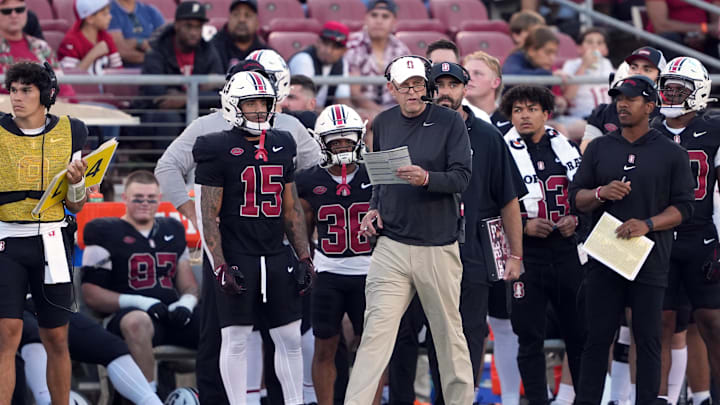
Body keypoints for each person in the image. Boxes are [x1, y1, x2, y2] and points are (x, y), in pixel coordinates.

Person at [154, 57, 320, 405]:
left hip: (275, 247)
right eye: (250, 97)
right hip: (230, 247)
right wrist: (197, 219)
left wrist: (305, 246)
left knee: (287, 334)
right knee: (228, 335)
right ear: (232, 92)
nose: (259, 107)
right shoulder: (210, 133)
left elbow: (313, 176)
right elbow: (168, 168)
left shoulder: (285, 131)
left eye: (264, 96)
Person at [345, 55, 474, 404]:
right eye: (406, 86)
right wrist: (373, 210)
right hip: (392, 246)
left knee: (449, 337)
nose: (414, 91)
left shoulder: (449, 122)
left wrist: (427, 178)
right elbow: (380, 180)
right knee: (374, 335)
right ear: (392, 89)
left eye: (418, 84)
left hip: (438, 245)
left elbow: (463, 177)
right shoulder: (384, 123)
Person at [568, 75, 695, 405]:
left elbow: (685, 207)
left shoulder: (670, 153)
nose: (622, 104)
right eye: (618, 98)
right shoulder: (599, 147)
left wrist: (648, 224)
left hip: (649, 258)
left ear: (650, 106)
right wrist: (600, 193)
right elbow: (576, 198)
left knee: (648, 339)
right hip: (604, 256)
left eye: (631, 98)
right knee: (596, 339)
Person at [428, 62, 525, 405]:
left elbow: (509, 199)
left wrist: (515, 255)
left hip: (473, 249)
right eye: (437, 84)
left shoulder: (487, 136)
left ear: (464, 88)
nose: (444, 91)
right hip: (425, 249)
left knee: (470, 334)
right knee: (433, 335)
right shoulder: (415, 131)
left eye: (452, 84)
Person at [0, 61, 89, 404]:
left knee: (56, 337)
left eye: (26, 90)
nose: (17, 98)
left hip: (52, 241)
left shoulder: (73, 131)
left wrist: (78, 182)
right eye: (13, 90)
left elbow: (77, 205)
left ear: (47, 95)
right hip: (6, 238)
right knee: (7, 334)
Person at [499, 85, 585, 405]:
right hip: (526, 254)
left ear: (546, 113)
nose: (524, 115)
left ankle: (583, 399)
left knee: (579, 333)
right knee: (529, 336)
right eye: (518, 110)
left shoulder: (565, 146)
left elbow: (584, 195)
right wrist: (523, 225)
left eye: (531, 109)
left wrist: (574, 219)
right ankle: (536, 400)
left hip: (566, 250)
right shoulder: (501, 148)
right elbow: (490, 203)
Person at [81, 170, 200, 391]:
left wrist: (186, 303)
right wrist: (139, 302)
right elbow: (91, 293)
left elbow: (188, 284)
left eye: (151, 199)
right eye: (138, 198)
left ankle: (219, 394)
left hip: (170, 314)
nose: (145, 203)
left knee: (223, 323)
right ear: (124, 198)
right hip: (128, 318)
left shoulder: (172, 229)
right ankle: (148, 394)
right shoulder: (103, 230)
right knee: (137, 322)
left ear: (159, 199)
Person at [652, 56, 720, 405]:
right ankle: (659, 399)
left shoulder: (715, 130)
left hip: (701, 237)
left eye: (680, 89)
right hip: (658, 238)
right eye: (667, 88)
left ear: (699, 92)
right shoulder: (649, 129)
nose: (671, 95)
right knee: (659, 324)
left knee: (712, 322)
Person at [295, 104, 372, 405]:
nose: (341, 145)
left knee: (371, 351)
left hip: (371, 272)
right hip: (328, 272)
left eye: (347, 138)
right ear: (321, 141)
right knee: (324, 346)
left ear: (359, 137)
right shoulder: (308, 180)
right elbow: (300, 230)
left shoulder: (376, 175)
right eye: (335, 139)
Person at [19, 307, 162, 405]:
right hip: (11, 309)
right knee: (35, 334)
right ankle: (46, 401)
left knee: (112, 346)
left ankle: (153, 402)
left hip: (47, 304)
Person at [138, 1, 223, 138]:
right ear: (177, 25)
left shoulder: (208, 51)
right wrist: (201, 91)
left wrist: (185, 98)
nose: (194, 32)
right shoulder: (157, 50)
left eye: (198, 27)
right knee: (169, 117)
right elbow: (158, 97)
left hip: (195, 109)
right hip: (156, 114)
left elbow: (220, 95)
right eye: (188, 26)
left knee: (215, 117)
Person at [584, 46, 667, 144]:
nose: (638, 73)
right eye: (633, 67)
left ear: (660, 79)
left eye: (647, 70)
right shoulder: (604, 112)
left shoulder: (667, 116)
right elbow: (587, 153)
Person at [344, 0, 409, 115]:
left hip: (397, 109)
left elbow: (407, 87)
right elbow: (354, 93)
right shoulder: (353, 46)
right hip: (362, 111)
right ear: (366, 18)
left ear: (394, 22)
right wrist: (382, 113)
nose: (379, 21)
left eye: (385, 16)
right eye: (374, 15)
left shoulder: (401, 49)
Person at [0, 0, 75, 98]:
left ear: (26, 12)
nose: (14, 15)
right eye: (7, 11)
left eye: (19, 10)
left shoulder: (42, 46)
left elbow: (63, 87)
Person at [559, 27, 614, 142]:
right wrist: (584, 66)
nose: (594, 46)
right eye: (589, 42)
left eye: (599, 43)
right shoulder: (572, 65)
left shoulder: (608, 64)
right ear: (579, 48)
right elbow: (568, 96)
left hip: (606, 117)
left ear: (605, 50)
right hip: (582, 117)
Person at [425, 39, 492, 125]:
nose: (443, 69)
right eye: (437, 65)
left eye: (450, 65)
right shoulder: (413, 113)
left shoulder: (479, 117)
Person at [289, 21, 351, 108]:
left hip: (321, 114)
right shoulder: (303, 59)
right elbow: (303, 103)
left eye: (335, 47)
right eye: (325, 43)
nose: (328, 50)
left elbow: (343, 99)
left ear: (344, 51)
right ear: (317, 42)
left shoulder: (342, 63)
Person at [58, 0, 123, 73]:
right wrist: (93, 54)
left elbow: (118, 70)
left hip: (105, 84)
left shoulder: (106, 37)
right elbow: (70, 77)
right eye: (105, 14)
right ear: (90, 19)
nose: (110, 17)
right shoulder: (70, 41)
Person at [211, 0, 272, 73]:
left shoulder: (266, 54)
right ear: (229, 19)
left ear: (257, 23)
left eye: (247, 15)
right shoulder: (213, 49)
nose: (241, 20)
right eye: (236, 14)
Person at [646, 0, 720, 59]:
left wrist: (704, 33)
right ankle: (675, 75)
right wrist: (703, 28)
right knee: (669, 39)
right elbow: (661, 26)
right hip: (672, 36)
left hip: (704, 34)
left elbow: (716, 23)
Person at [463, 51, 510, 133]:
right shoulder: (452, 119)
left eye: (477, 73)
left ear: (495, 82)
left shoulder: (512, 123)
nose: (469, 78)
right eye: (465, 74)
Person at [108, 0, 164, 67]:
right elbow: (120, 50)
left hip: (155, 70)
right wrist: (140, 43)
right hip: (126, 74)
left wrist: (133, 43)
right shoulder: (109, 11)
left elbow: (164, 46)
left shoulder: (151, 11)